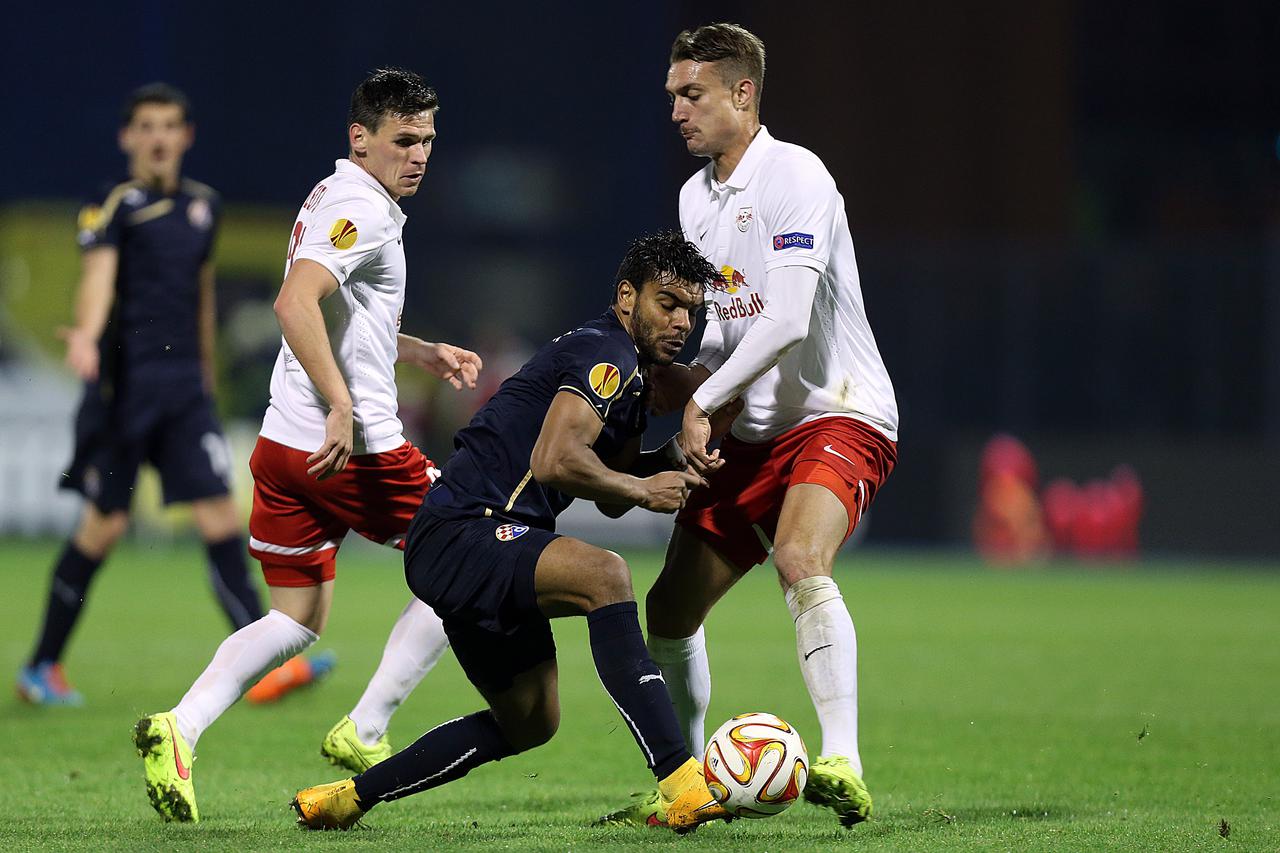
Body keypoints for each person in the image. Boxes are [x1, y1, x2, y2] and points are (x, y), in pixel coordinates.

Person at [290, 232, 732, 834]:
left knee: (530, 720)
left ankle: (344, 799)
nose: (682, 321)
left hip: (472, 540)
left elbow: (611, 488)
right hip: (467, 527)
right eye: (667, 303)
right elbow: (556, 462)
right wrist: (642, 491)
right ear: (627, 297)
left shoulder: (628, 380)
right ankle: (681, 780)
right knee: (606, 575)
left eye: (691, 310)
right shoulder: (608, 354)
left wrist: (674, 458)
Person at [133, 68, 482, 823]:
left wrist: (418, 351)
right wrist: (343, 405)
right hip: (356, 449)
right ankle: (367, 728)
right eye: (402, 139)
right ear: (360, 137)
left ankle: (179, 726)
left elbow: (343, 310)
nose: (419, 154)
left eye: (427, 139)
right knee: (475, 561)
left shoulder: (334, 194)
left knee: (294, 617)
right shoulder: (364, 206)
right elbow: (293, 301)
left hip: (282, 448)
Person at [601, 24, 900, 829]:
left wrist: (701, 402)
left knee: (801, 556)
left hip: (839, 409)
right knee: (667, 613)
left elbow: (790, 319)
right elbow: (732, 334)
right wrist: (685, 390)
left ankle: (843, 756)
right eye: (670, 94)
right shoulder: (695, 199)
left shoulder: (796, 174)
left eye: (690, 93)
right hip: (754, 427)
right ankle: (687, 783)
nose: (675, 110)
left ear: (743, 93)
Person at [16, 84, 265, 706]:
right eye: (146, 126)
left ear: (186, 136)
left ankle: (260, 658)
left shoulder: (205, 206)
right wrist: (87, 338)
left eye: (169, 126)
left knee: (217, 514)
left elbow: (201, 291)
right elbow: (97, 279)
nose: (158, 138)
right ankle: (41, 667)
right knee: (103, 526)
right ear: (128, 137)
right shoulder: (114, 203)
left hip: (184, 394)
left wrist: (207, 369)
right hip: (124, 394)